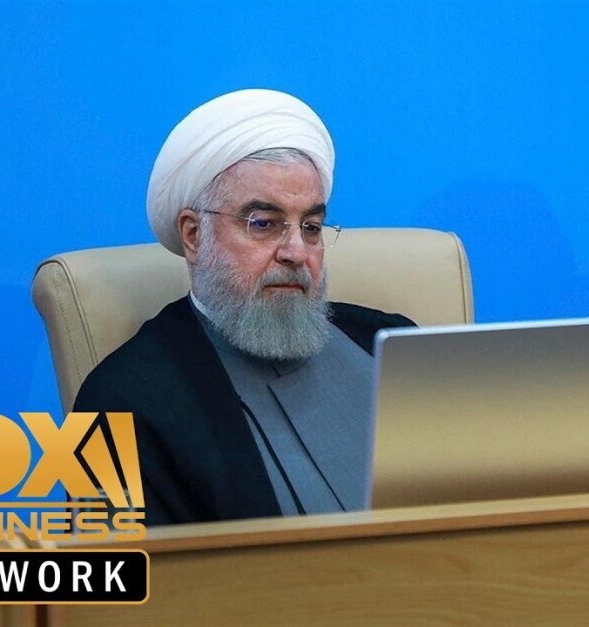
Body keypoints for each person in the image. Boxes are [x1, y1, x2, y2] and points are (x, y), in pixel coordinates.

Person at [73, 89, 414, 526]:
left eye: (311, 227)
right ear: (193, 235)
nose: (296, 252)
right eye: (264, 224)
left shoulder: (389, 344)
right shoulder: (118, 402)